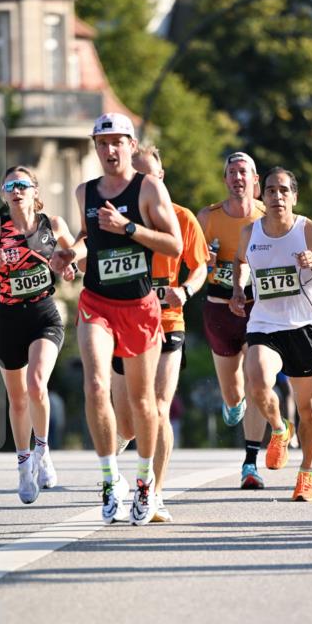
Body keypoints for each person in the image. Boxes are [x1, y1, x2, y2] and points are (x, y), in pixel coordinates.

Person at [55, 113, 182, 525]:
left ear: (131, 144)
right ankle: (111, 480)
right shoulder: (85, 192)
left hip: (140, 308)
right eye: (103, 143)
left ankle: (145, 485)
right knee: (95, 385)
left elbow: (173, 243)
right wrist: (69, 255)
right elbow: (88, 237)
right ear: (95, 148)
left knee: (144, 403)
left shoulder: (149, 188)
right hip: (96, 303)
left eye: (118, 142)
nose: (110, 150)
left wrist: (129, 228)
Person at [0, 166, 77, 504]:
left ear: (34, 191)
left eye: (22, 185)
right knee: (17, 400)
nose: (16, 190)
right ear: (3, 194)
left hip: (44, 314)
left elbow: (76, 260)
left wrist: (70, 267)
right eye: (10, 186)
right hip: (9, 318)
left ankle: (43, 452)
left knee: (37, 384)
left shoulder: (53, 226)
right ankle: (24, 465)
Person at [231, 167, 312, 501]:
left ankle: (306, 474)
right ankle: (279, 428)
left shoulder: (309, 231)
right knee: (256, 381)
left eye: (283, 190)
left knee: (309, 409)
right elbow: (240, 262)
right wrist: (239, 287)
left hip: (303, 327)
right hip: (264, 324)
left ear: (294, 196)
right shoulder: (250, 232)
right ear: (261, 196)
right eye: (270, 190)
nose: (276, 196)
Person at [111, 144, 209, 522]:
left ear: (160, 178)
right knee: (128, 423)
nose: (142, 182)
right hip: (124, 320)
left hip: (168, 319)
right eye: (136, 176)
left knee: (160, 407)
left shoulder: (182, 218)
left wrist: (184, 290)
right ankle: (122, 445)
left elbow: (199, 267)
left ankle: (155, 493)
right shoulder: (116, 219)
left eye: (148, 175)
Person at [197, 152, 268, 490]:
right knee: (234, 391)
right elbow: (192, 268)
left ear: (255, 180)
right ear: (225, 180)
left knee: (257, 380)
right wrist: (207, 262)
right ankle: (231, 403)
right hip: (219, 309)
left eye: (245, 172)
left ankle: (251, 463)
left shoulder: (270, 217)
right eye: (232, 173)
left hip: (260, 309)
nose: (238, 178)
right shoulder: (208, 218)